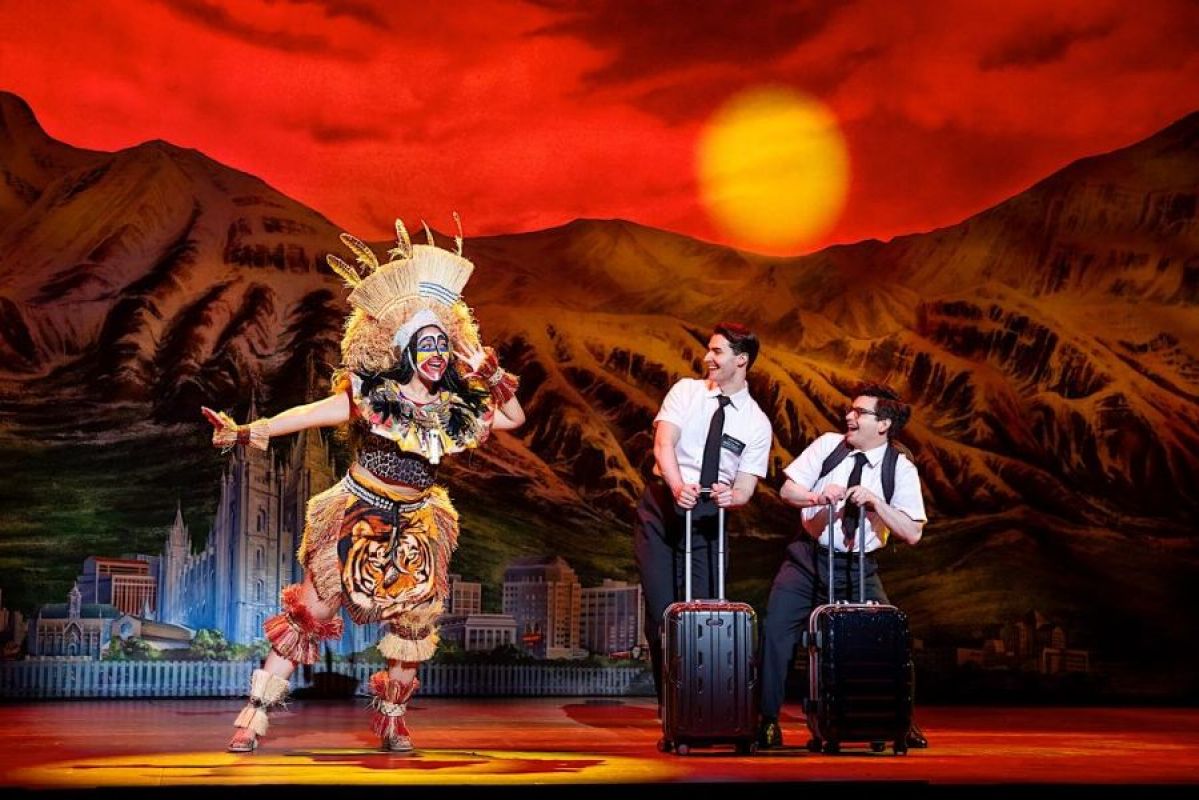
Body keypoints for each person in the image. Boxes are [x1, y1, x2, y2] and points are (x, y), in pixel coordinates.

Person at [204, 219, 524, 753]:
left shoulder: (452, 409)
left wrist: (490, 375)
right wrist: (247, 431)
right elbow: (309, 413)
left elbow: (513, 417)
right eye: (426, 344)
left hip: (419, 523)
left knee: (415, 629)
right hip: (357, 513)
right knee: (310, 612)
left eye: (443, 346)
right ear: (406, 350)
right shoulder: (372, 397)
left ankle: (393, 720)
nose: (436, 354)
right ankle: (253, 716)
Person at [756, 384, 927, 749]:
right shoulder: (829, 446)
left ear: (883, 424)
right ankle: (767, 719)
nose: (849, 417)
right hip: (808, 560)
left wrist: (877, 504)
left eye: (859, 412)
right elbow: (788, 492)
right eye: (850, 410)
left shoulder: (900, 467)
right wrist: (818, 496)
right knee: (776, 633)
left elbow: (912, 532)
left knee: (890, 640)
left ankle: (900, 720)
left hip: (858, 568)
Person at [633, 322, 773, 708]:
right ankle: (672, 708)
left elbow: (745, 486)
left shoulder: (756, 422)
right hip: (665, 506)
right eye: (708, 350)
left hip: (709, 519)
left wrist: (734, 496)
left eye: (717, 352)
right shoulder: (686, 392)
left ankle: (704, 702)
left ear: (741, 360)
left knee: (706, 612)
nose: (708, 358)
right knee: (664, 612)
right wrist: (679, 486)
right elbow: (664, 444)